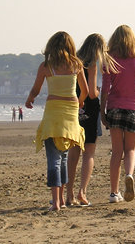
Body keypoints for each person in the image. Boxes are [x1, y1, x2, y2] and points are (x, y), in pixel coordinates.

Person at [25, 31, 88, 211]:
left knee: (53, 157)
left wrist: (30, 99)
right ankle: (60, 200)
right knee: (64, 156)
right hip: (70, 113)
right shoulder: (76, 65)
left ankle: (56, 203)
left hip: (53, 113)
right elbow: (84, 91)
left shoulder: (46, 66)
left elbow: (36, 89)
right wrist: (80, 101)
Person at [66, 33, 119, 206]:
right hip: (90, 108)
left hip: (74, 107)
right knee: (88, 152)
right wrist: (97, 90)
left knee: (73, 152)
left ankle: (69, 194)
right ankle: (83, 191)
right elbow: (91, 92)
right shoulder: (91, 64)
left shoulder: (73, 61)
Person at [101, 25, 135, 203]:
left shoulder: (109, 58)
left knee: (116, 151)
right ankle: (129, 174)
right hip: (133, 107)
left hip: (114, 107)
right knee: (130, 149)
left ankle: (114, 193)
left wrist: (102, 111)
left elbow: (105, 88)